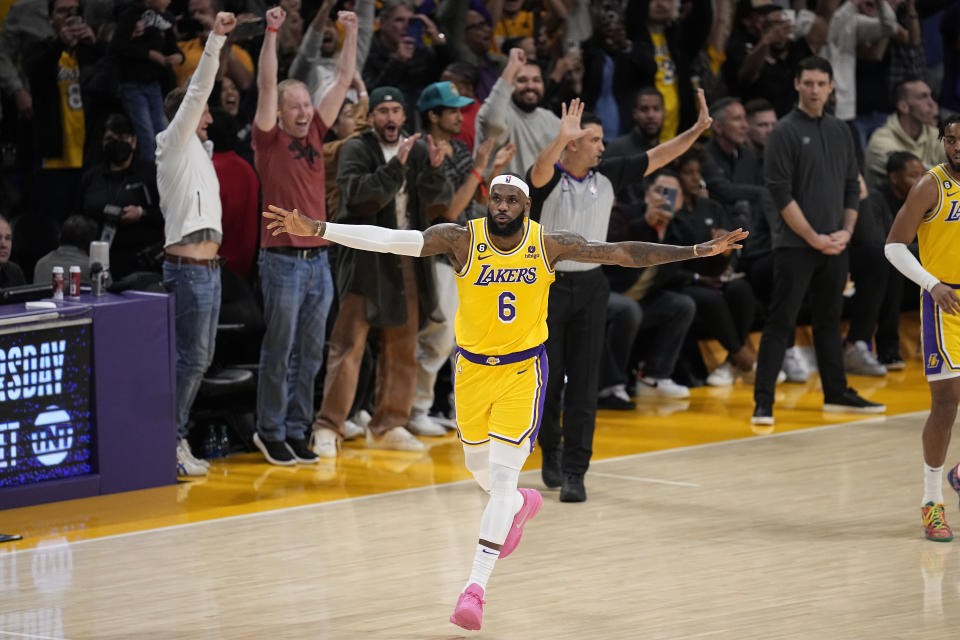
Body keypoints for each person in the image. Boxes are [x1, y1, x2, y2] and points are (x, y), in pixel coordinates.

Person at [263, 177, 746, 632]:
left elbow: (622, 254)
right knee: (482, 472)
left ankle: (474, 589)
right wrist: (321, 229)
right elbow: (392, 239)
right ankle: (519, 505)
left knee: (499, 479)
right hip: (472, 371)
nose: (501, 206)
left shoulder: (549, 244)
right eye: (495, 198)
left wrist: (696, 250)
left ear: (526, 208)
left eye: (511, 201)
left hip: (522, 372)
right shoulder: (460, 240)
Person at [528, 93, 713, 502]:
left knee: (584, 383)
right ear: (573, 144)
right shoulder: (548, 180)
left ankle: (576, 470)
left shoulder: (609, 174)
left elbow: (659, 156)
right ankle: (552, 451)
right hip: (548, 287)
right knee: (547, 383)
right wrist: (560, 138)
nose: (602, 147)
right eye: (594, 140)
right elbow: (537, 173)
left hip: (593, 286)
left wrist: (695, 131)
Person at [308, 86, 452, 456]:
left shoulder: (420, 150)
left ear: (405, 117)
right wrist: (395, 167)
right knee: (349, 345)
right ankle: (328, 426)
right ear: (372, 118)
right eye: (383, 111)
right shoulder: (357, 149)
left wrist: (435, 171)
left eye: (396, 111)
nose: (390, 118)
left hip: (407, 258)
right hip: (364, 258)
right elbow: (358, 198)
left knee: (402, 346)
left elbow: (439, 209)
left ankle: (390, 423)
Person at [752, 56, 886, 426]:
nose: (814, 90)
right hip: (795, 246)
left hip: (834, 243)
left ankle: (837, 392)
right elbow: (780, 194)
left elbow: (850, 186)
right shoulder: (783, 131)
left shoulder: (842, 131)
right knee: (781, 321)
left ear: (831, 88)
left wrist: (845, 231)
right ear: (796, 84)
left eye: (820, 84)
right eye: (807, 83)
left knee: (830, 321)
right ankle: (763, 402)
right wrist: (813, 237)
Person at [250, 6, 358, 466]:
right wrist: (272, 32)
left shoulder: (316, 129)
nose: (302, 111)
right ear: (278, 112)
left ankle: (298, 429)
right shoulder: (267, 138)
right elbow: (266, 84)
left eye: (305, 105)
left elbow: (343, 77)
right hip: (281, 258)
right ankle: (269, 431)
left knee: (312, 352)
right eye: (293, 106)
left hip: (318, 259)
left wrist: (349, 31)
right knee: (280, 351)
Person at [157, 10, 237, 477]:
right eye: (202, 109)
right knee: (191, 359)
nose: (209, 114)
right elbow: (198, 92)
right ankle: (170, 440)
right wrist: (215, 42)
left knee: (200, 358)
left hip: (210, 270)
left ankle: (174, 437)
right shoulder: (171, 143)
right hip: (188, 271)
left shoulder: (199, 155)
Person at [884, 114, 960, 541]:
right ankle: (932, 502)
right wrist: (932, 285)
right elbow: (893, 245)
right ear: (943, 142)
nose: (957, 147)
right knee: (947, 404)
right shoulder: (930, 186)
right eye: (951, 140)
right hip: (944, 301)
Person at [78, 112, 163, 280]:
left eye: (123, 137)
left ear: (134, 141)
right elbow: (78, 212)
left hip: (140, 262)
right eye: (110, 138)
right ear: (102, 142)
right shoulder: (91, 177)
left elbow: (168, 214)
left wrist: (142, 214)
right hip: (98, 261)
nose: (117, 143)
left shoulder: (150, 174)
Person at [864, 78, 945, 189]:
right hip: (890, 205)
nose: (932, 103)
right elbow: (912, 176)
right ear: (903, 107)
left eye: (931, 96)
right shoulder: (881, 141)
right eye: (923, 97)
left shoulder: (935, 135)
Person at [32, 214, 97, 283]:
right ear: (90, 243)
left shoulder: (41, 264)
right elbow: (106, 289)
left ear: (59, 236)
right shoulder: (93, 268)